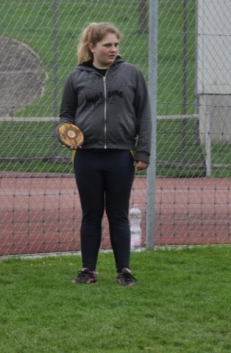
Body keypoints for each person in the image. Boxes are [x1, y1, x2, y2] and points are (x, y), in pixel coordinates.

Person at [59, 22, 151, 286]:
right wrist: (66, 133)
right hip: (86, 155)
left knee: (118, 214)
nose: (113, 49)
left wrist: (143, 151)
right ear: (92, 47)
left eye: (116, 45)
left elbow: (144, 115)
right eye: (107, 45)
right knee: (91, 214)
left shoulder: (132, 74)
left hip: (121, 154)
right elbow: (66, 114)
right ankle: (88, 270)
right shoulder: (76, 77)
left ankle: (124, 271)